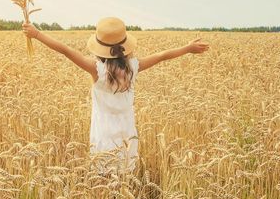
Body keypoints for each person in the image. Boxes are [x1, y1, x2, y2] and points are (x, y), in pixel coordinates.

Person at [22, 17, 209, 175]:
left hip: (103, 133)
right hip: (127, 132)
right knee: (124, 175)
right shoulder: (133, 68)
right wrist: (188, 48)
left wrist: (37, 34)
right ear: (125, 47)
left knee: (103, 178)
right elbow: (161, 55)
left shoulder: (97, 71)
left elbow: (65, 50)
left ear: (99, 48)